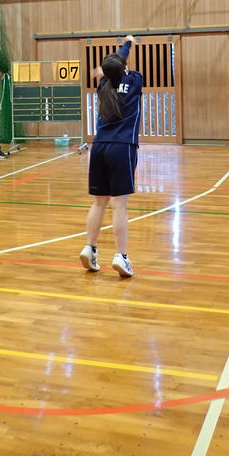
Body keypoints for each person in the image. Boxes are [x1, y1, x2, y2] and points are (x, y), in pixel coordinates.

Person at [79, 34, 142, 278]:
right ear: (125, 69)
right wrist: (129, 43)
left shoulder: (103, 85)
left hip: (99, 147)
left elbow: (115, 64)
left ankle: (90, 247)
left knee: (98, 202)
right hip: (122, 148)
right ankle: (121, 256)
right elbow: (120, 63)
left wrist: (124, 47)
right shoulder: (135, 80)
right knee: (120, 205)